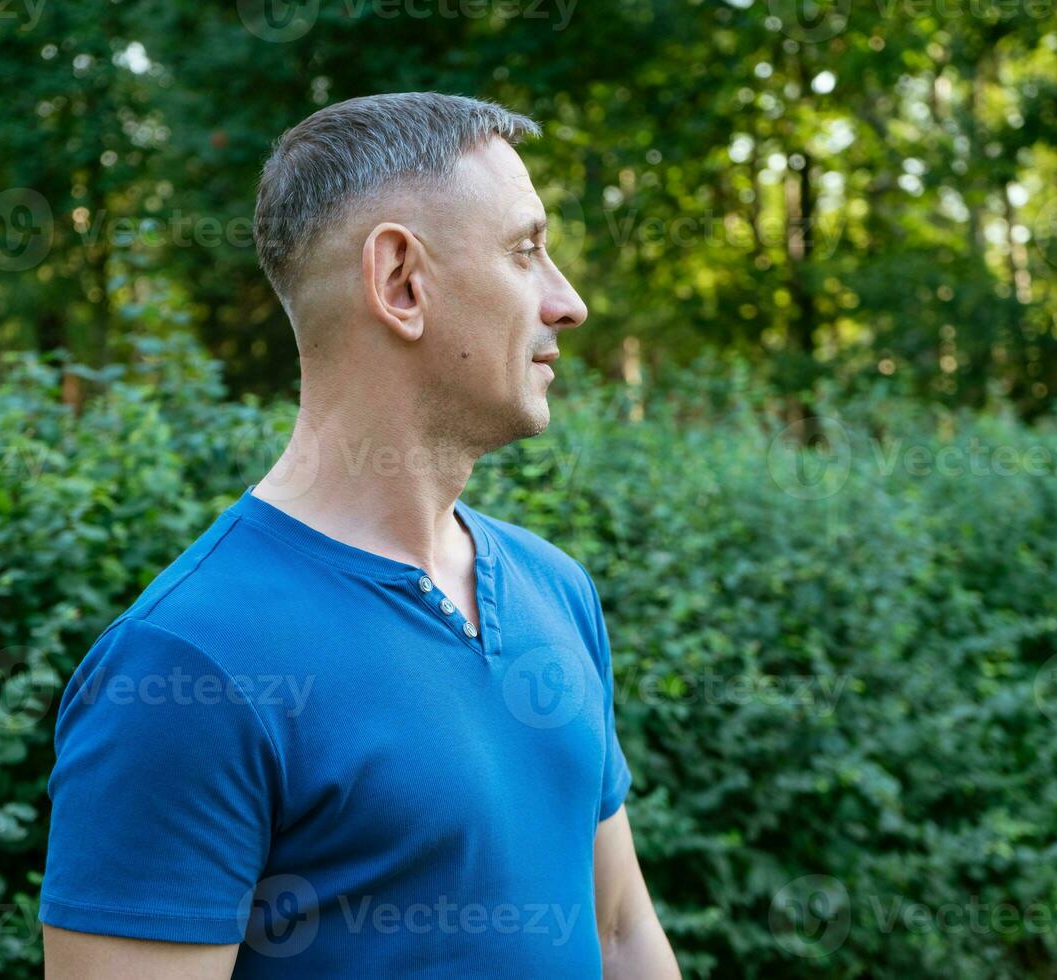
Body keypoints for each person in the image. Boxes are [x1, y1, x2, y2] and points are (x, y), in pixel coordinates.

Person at [39, 92, 679, 979]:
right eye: (526, 250)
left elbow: (618, 932)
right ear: (401, 282)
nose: (565, 302)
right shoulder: (184, 666)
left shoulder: (553, 586)